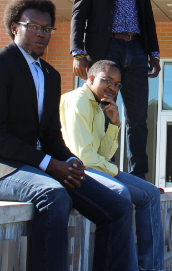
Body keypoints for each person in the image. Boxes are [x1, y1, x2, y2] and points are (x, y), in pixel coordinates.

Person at [0, 0, 139, 271]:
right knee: (54, 195)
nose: (41, 33)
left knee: (118, 208)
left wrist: (71, 161)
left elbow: (51, 137)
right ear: (15, 28)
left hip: (35, 166)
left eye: (47, 29)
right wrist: (48, 163)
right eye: (33, 26)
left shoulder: (50, 74)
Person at [71, 0, 160, 180]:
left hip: (137, 48)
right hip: (106, 49)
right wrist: (78, 52)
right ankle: (104, 172)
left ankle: (139, 177)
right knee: (103, 111)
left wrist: (153, 53)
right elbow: (79, 13)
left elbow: (147, 15)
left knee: (138, 117)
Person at [60, 60, 164, 271]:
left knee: (151, 194)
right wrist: (116, 171)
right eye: (107, 80)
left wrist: (114, 124)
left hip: (94, 169)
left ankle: (152, 267)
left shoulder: (99, 107)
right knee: (120, 192)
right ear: (90, 78)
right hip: (75, 171)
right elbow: (83, 157)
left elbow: (103, 155)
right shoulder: (77, 101)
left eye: (117, 84)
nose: (113, 88)